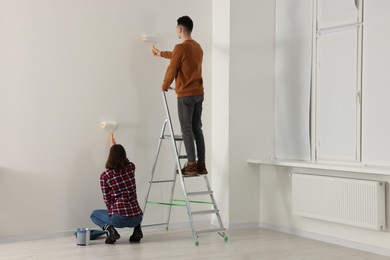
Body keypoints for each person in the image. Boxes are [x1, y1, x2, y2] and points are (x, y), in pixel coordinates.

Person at [152, 15, 208, 176]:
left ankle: (191, 165)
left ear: (181, 29)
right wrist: (161, 53)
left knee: (186, 130)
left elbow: (173, 68)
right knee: (197, 129)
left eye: (177, 28)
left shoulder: (180, 47)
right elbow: (180, 56)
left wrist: (164, 85)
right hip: (198, 94)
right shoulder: (198, 48)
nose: (176, 31)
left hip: (185, 96)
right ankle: (201, 164)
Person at [90, 143, 143, 244]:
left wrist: (112, 213)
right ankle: (137, 231)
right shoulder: (131, 168)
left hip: (119, 219)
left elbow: (107, 199)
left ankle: (111, 231)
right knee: (137, 208)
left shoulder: (105, 176)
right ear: (124, 155)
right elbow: (124, 161)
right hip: (136, 219)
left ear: (110, 156)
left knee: (94, 214)